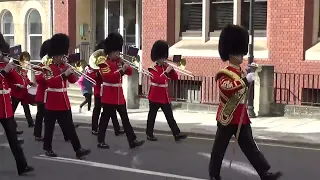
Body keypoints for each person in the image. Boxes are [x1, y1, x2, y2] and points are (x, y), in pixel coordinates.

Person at [208, 24, 282, 180]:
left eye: (241, 53)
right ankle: (214, 175)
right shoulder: (224, 73)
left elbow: (241, 90)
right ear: (230, 54)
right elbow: (226, 89)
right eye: (238, 53)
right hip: (227, 116)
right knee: (219, 149)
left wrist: (248, 75)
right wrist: (244, 80)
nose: (241, 56)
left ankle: (264, 172)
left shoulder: (240, 72)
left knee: (250, 147)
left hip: (241, 116)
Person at [42, 33, 90, 159]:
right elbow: (51, 82)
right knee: (49, 128)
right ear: (54, 56)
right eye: (59, 55)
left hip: (63, 102)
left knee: (70, 128)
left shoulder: (65, 66)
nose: (61, 57)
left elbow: (73, 80)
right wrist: (64, 74)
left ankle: (78, 149)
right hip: (52, 102)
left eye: (62, 55)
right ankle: (47, 148)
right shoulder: (48, 67)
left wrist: (69, 69)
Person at [97, 32, 144, 149]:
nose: (118, 54)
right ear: (110, 52)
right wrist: (121, 69)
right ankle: (100, 140)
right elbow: (110, 77)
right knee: (104, 120)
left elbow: (128, 72)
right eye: (116, 52)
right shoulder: (104, 64)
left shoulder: (118, 62)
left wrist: (125, 65)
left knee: (125, 119)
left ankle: (132, 140)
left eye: (118, 51)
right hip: (109, 95)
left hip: (119, 96)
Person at [0, 34, 34, 175]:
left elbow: (19, 79)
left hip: (5, 108)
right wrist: (3, 72)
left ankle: (22, 166)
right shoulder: (3, 68)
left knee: (13, 140)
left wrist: (12, 67)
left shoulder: (5, 65)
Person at [146, 40, 188, 142]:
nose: (164, 59)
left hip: (164, 96)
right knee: (152, 116)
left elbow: (175, 78)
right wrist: (166, 72)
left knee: (170, 116)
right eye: (162, 57)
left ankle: (176, 133)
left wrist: (172, 69)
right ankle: (149, 133)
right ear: (157, 57)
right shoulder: (152, 68)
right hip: (155, 95)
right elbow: (158, 80)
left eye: (164, 57)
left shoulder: (165, 67)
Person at [87, 41, 124, 136]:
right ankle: (94, 128)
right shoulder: (93, 63)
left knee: (112, 111)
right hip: (99, 90)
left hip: (108, 91)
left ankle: (117, 128)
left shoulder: (109, 62)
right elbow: (90, 76)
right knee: (97, 109)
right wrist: (98, 73)